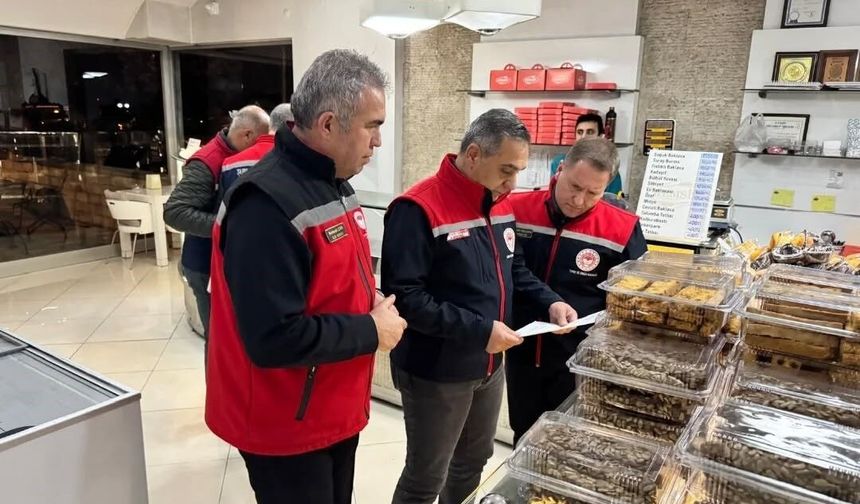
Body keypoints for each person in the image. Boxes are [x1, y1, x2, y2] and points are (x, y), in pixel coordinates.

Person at [205, 50, 407, 504]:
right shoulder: (265, 204)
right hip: (286, 424)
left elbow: (330, 279)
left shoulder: (334, 181)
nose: (378, 141)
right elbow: (272, 337)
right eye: (372, 126)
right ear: (329, 124)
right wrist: (370, 330)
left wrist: (370, 298)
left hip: (330, 405)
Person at [382, 109, 576, 504]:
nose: (513, 182)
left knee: (473, 461)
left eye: (519, 171)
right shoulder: (417, 208)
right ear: (473, 154)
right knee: (426, 477)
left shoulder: (500, 203)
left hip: (489, 365)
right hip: (437, 369)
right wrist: (480, 331)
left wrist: (551, 301)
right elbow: (406, 299)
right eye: (506, 169)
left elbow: (513, 267)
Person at [506, 138, 648, 444]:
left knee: (570, 440)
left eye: (593, 193)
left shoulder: (622, 228)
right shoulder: (517, 209)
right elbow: (512, 270)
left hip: (581, 357)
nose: (579, 200)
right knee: (524, 435)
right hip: (523, 349)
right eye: (574, 186)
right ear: (560, 169)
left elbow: (634, 297)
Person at [164, 105, 270, 342]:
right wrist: (229, 225)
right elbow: (175, 212)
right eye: (260, 140)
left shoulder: (233, 155)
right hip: (204, 265)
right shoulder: (207, 161)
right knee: (218, 341)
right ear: (247, 135)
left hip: (226, 263)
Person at [218, 103, 293, 199]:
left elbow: (223, 205)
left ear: (271, 123)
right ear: (292, 125)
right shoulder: (295, 162)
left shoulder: (229, 164)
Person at [575, 113, 623, 197]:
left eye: (590, 132)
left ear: (600, 136)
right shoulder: (560, 163)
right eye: (580, 132)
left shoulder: (610, 171)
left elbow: (613, 202)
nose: (583, 137)